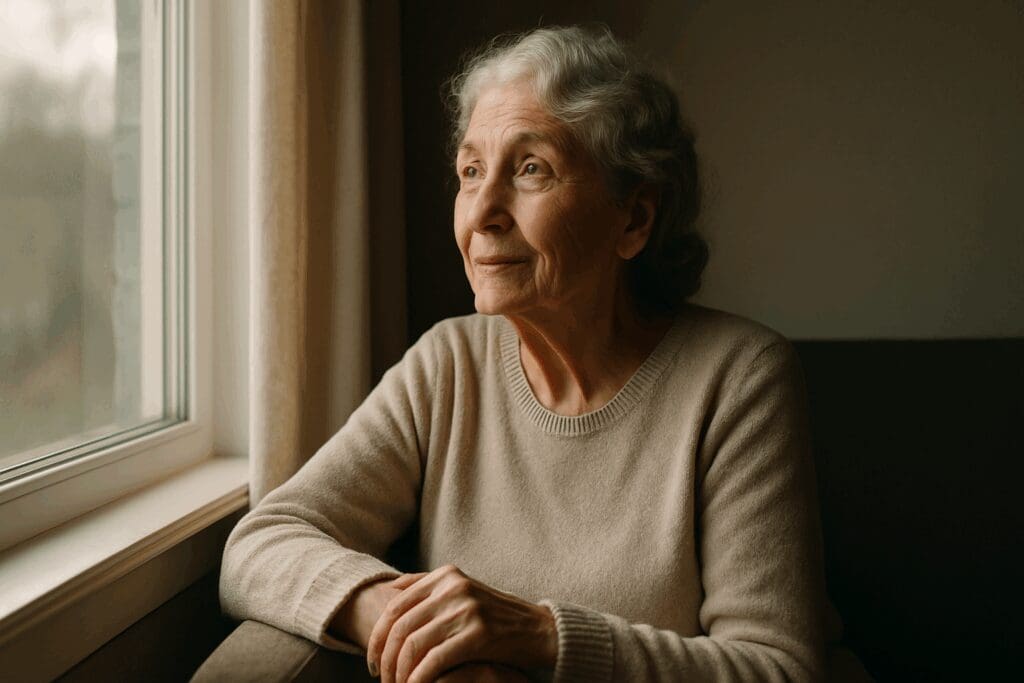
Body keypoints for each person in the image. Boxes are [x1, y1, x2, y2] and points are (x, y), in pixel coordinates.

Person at [221, 25, 853, 683]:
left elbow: (779, 668)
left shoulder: (740, 376)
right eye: (471, 171)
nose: (484, 212)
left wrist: (539, 637)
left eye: (530, 168)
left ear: (633, 219)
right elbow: (261, 542)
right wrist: (404, 619)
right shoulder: (448, 364)